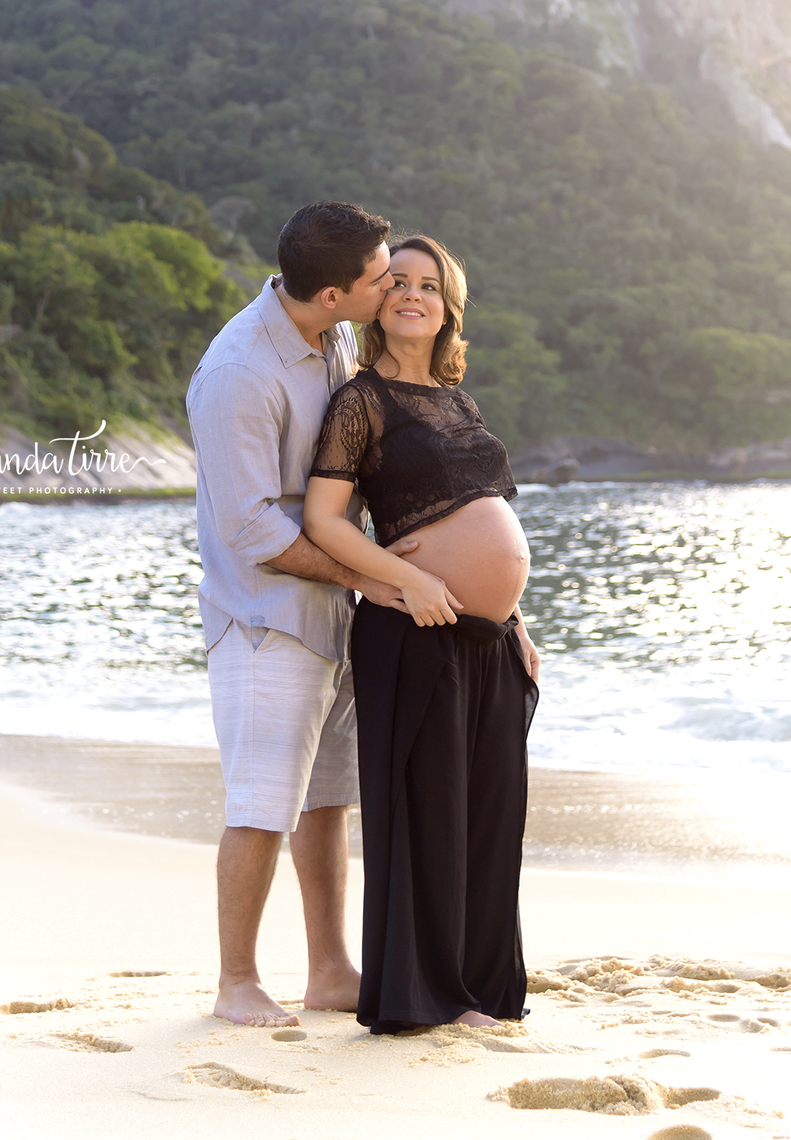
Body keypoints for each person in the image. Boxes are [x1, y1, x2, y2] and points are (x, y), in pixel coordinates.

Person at [187, 200, 422, 1028]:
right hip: (264, 620)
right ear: (332, 294)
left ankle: (329, 970)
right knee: (261, 801)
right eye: (378, 276)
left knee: (327, 799)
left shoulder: (335, 339)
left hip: (333, 612)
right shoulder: (239, 373)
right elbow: (251, 528)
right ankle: (237, 982)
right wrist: (380, 577)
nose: (390, 281)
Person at [303, 235, 541, 1033]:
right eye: (396, 282)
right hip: (414, 633)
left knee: (489, 817)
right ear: (376, 302)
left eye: (429, 286)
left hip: (490, 640)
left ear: (449, 307)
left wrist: (516, 616)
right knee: (431, 816)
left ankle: (479, 988)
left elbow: (487, 517)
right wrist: (405, 578)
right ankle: (431, 993)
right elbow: (323, 521)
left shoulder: (459, 401)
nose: (412, 294)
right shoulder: (360, 402)